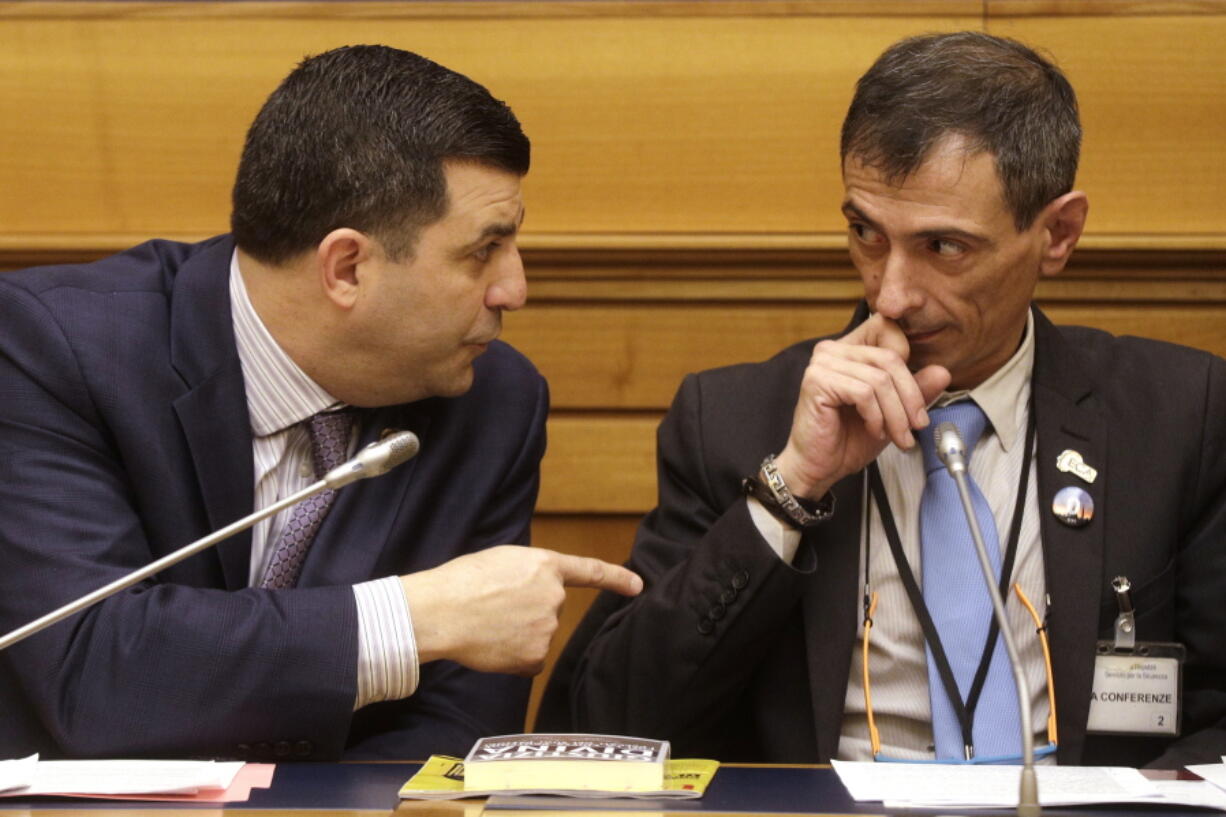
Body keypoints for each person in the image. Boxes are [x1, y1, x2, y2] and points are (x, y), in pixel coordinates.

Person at [539, 32, 1226, 769]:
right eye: (866, 233)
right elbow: (608, 722)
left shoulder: (1178, 415)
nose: (890, 293)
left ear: (1057, 234)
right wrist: (789, 490)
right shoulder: (736, 421)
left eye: (944, 247)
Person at [0, 45, 641, 761]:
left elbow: (443, 745)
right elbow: (93, 668)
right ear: (347, 267)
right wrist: (410, 618)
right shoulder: (54, 350)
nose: (513, 289)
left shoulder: (494, 402)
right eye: (482, 251)